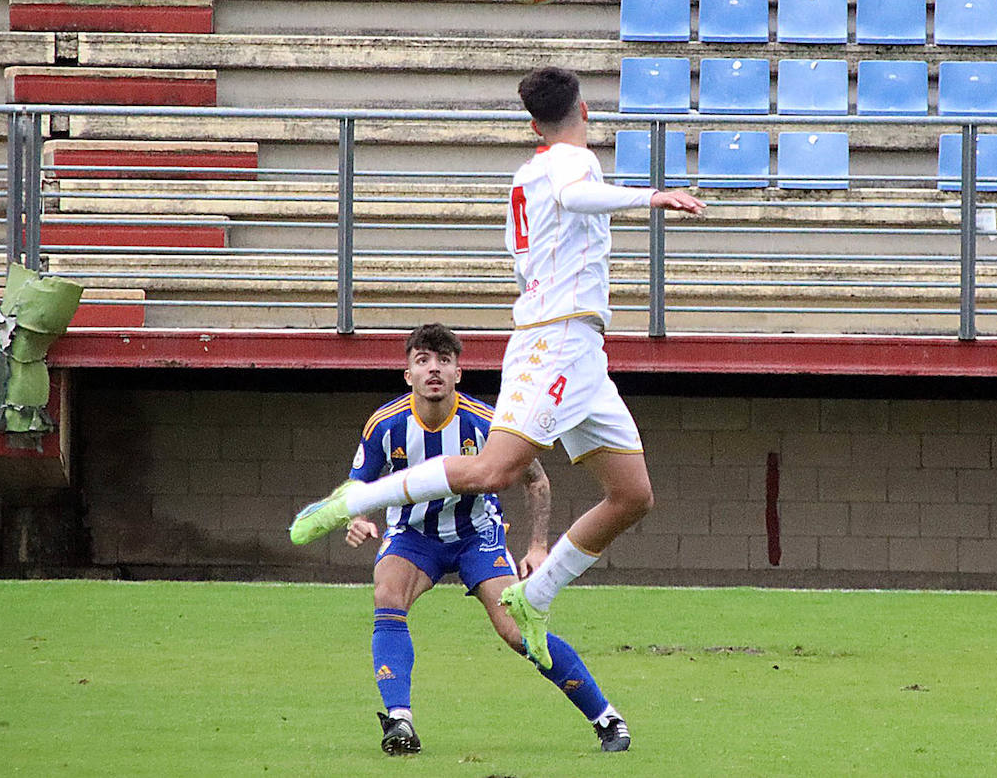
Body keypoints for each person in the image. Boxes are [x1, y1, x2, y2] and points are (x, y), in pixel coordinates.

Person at [291, 65, 704, 687]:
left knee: (632, 495)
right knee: (494, 472)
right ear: (584, 110)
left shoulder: (527, 172)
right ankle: (358, 495)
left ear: (533, 124)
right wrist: (649, 196)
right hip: (557, 338)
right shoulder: (573, 164)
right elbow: (575, 196)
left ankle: (534, 599)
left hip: (583, 349)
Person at [335, 323, 630, 755]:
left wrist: (536, 547)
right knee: (387, 595)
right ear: (408, 375)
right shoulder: (385, 424)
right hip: (413, 536)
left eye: (444, 361)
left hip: (478, 535)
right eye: (423, 361)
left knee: (518, 631)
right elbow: (357, 485)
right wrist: (357, 516)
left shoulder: (486, 422)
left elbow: (537, 480)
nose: (433, 369)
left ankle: (606, 718)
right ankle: (399, 721)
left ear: (459, 373)